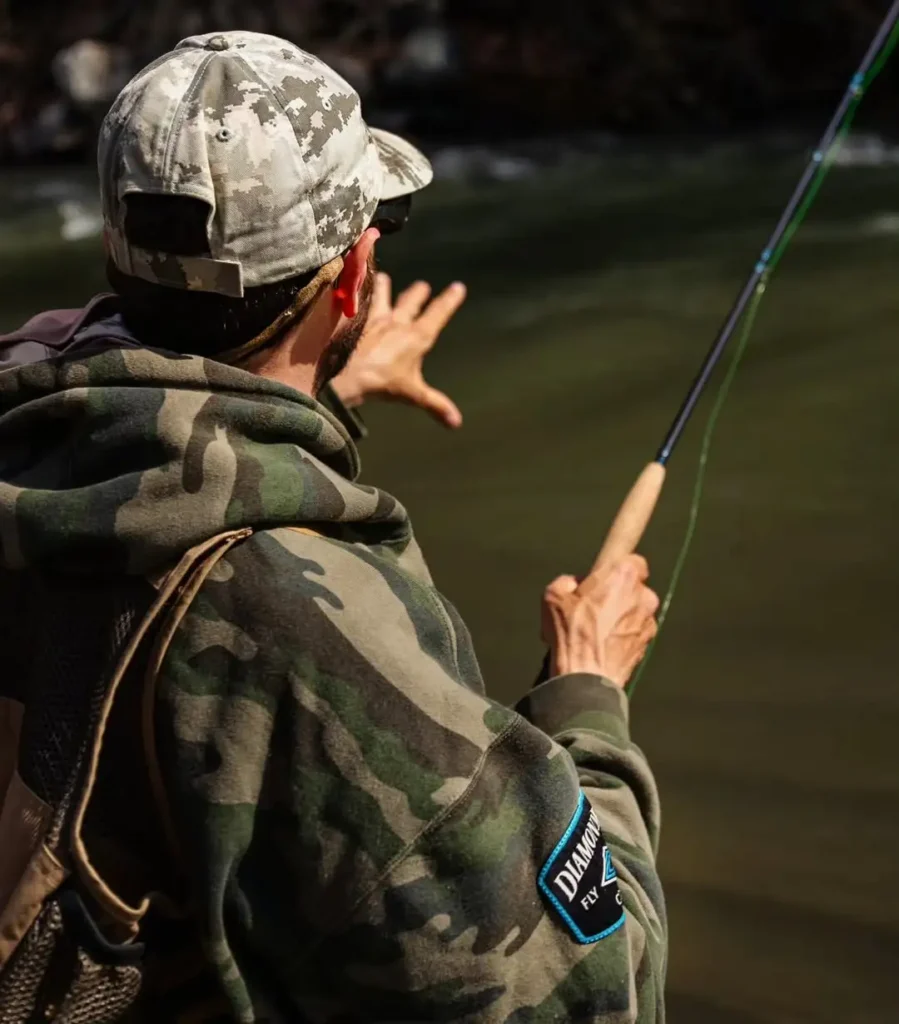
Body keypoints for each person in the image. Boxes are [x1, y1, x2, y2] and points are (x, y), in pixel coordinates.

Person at [0, 30, 666, 1023]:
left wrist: (324, 397)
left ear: (117, 245)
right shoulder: (302, 628)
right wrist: (588, 697)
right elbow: (592, 996)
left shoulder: (26, 417)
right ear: (352, 279)